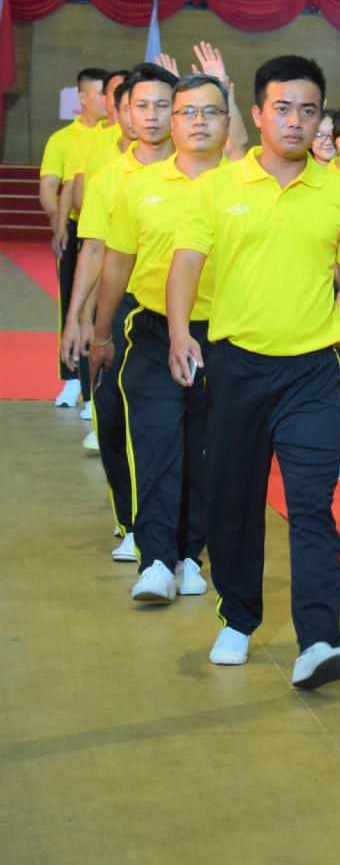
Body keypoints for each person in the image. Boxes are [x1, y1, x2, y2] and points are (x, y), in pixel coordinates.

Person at [167, 55, 340, 688]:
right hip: (235, 367)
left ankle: (318, 641)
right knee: (233, 500)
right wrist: (180, 331)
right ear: (255, 114)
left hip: (314, 371)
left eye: (308, 110)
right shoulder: (217, 188)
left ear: (321, 120)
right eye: (282, 108)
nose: (294, 121)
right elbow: (185, 264)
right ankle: (238, 618)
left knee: (313, 506)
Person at [95, 68, 222, 604]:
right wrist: (101, 334)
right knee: (155, 443)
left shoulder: (242, 185)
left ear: (227, 121)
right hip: (149, 333)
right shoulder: (138, 186)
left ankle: (191, 556)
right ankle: (154, 560)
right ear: (170, 122)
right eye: (186, 112)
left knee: (204, 451)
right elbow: (116, 265)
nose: (196, 122)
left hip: (224, 336)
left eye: (209, 112)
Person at [64, 63, 176, 554]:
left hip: (188, 314)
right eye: (140, 107)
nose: (150, 117)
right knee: (111, 416)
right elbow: (92, 251)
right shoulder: (110, 176)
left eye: (162, 106)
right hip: (124, 306)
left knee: (173, 429)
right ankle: (131, 521)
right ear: (122, 113)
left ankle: (169, 533)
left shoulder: (204, 170)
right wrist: (78, 318)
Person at [41, 67, 113, 408]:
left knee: (102, 308)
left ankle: (95, 382)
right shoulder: (67, 139)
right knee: (74, 301)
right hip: (80, 227)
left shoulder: (113, 136)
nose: (105, 100)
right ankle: (71, 377)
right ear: (83, 98)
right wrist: (59, 223)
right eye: (100, 94)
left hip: (112, 231)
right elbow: (61, 186)